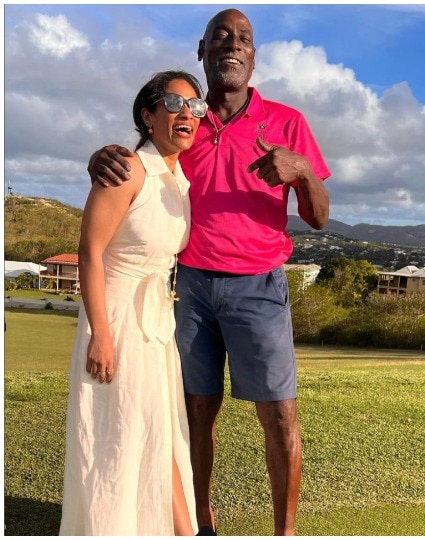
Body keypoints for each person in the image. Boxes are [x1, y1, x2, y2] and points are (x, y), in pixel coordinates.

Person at [87, 9, 331, 536]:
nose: (232, 45)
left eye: (243, 38)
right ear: (202, 51)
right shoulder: (189, 122)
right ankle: (200, 526)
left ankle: (284, 533)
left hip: (259, 286)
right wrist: (102, 157)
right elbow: (142, 164)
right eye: (220, 36)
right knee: (195, 412)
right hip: (189, 287)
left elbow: (319, 216)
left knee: (280, 415)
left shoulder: (287, 122)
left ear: (253, 56)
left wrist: (303, 170)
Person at [61, 70, 205, 535]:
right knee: (119, 439)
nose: (187, 113)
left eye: (195, 107)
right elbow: (90, 252)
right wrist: (101, 335)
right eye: (173, 102)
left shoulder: (177, 179)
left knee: (160, 435)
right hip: (118, 320)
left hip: (157, 326)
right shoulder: (125, 169)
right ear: (147, 115)